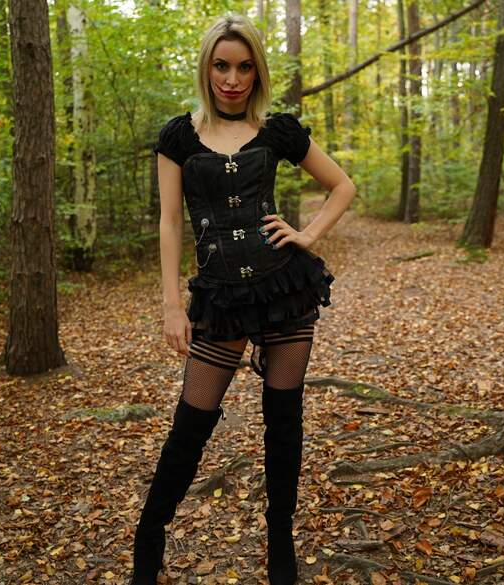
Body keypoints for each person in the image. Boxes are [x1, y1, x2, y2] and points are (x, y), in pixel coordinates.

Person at [130, 12, 356, 585]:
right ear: (206, 68)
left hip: (284, 290)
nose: (232, 79)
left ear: (257, 71)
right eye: (222, 66)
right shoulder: (179, 137)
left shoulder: (277, 131)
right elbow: (170, 223)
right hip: (221, 298)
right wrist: (171, 306)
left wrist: (307, 235)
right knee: (191, 424)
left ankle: (281, 542)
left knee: (284, 422)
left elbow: (342, 185)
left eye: (244, 67)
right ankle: (148, 539)